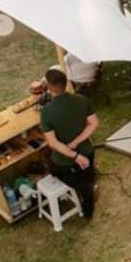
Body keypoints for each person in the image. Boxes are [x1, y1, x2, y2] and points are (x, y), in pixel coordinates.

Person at [40, 68, 99, 219]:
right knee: (87, 173)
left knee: (51, 164)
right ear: (65, 84)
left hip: (64, 161)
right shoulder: (81, 99)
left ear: (49, 88)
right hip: (86, 152)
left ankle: (83, 187)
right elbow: (93, 123)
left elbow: (53, 143)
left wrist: (74, 155)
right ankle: (88, 194)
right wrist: (77, 143)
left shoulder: (46, 111)